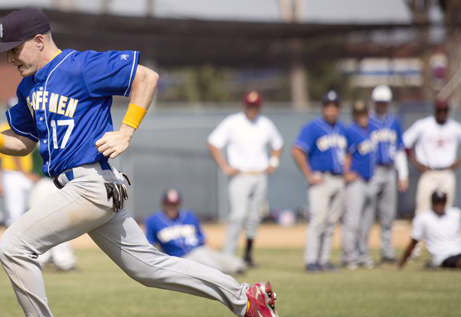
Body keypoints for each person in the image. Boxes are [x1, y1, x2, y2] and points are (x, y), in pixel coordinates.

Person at [0, 8, 283, 317]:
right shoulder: (29, 87)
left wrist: (126, 131)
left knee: (13, 245)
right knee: (149, 268)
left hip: (93, 184)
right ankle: (246, 297)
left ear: (38, 40)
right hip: (90, 188)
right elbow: (24, 143)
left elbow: (146, 77)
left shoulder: (79, 66)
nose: (10, 58)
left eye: (15, 49)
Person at [0, 98, 77, 272]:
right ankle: (43, 258)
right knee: (36, 220)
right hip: (40, 181)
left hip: (53, 181)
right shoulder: (29, 129)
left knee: (57, 220)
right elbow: (16, 152)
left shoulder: (42, 127)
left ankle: (61, 260)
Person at [207, 91, 284, 267]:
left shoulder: (265, 124)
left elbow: (278, 144)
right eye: (250, 106)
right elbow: (213, 142)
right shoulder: (233, 122)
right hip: (240, 176)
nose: (252, 109)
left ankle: (248, 255)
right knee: (238, 215)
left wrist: (273, 162)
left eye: (255, 106)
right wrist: (224, 166)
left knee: (254, 217)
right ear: (244, 106)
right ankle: (228, 255)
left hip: (259, 175)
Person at [292, 90, 347, 273]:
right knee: (318, 220)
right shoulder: (313, 127)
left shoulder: (341, 129)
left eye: (334, 107)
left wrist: (346, 172)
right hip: (320, 179)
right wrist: (309, 174)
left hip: (338, 179)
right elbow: (297, 150)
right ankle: (311, 261)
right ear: (323, 108)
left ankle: (324, 260)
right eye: (328, 106)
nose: (331, 110)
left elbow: (349, 153)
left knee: (331, 222)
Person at [144, 189, 246, 275]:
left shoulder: (189, 216)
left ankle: (236, 267)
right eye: (169, 204)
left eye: (174, 204)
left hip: (200, 250)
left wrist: (216, 254)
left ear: (179, 203)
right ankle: (226, 272)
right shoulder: (153, 221)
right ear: (163, 204)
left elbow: (204, 240)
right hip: (181, 259)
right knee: (210, 266)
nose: (172, 207)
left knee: (231, 261)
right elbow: (150, 246)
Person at [402, 98, 461, 214]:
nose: (442, 113)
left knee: (447, 211)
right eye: (440, 110)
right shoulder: (423, 125)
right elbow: (404, 143)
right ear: (435, 110)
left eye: (445, 110)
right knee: (422, 210)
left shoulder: (455, 127)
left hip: (447, 172)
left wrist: (457, 163)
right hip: (429, 172)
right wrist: (416, 163)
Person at [369, 85, 409, 263]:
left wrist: (403, 174)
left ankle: (387, 252)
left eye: (384, 103)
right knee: (367, 213)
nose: (382, 106)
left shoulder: (394, 122)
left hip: (390, 170)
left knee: (388, 214)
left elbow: (400, 149)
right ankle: (362, 251)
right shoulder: (368, 121)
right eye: (379, 102)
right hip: (372, 171)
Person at [341, 100, 377, 270]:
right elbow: (345, 154)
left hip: (370, 181)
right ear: (354, 115)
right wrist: (345, 173)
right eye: (358, 114)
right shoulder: (351, 131)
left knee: (366, 223)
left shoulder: (369, 131)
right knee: (353, 222)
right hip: (356, 183)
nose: (362, 117)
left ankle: (362, 253)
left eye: (364, 113)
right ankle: (349, 255)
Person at [0, 97, 38, 226]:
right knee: (15, 216)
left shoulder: (27, 126)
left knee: (31, 215)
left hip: (26, 175)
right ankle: (14, 245)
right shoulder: (3, 127)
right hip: (12, 175)